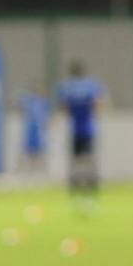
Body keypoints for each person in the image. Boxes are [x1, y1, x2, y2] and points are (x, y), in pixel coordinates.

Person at [56, 60, 107, 211]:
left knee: (76, 160)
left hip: (76, 129)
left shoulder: (67, 87)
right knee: (89, 159)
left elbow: (63, 107)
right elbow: (99, 104)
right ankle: (91, 187)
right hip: (89, 129)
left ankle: (76, 187)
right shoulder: (92, 85)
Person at [15, 83, 51, 179]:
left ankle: (42, 173)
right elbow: (18, 107)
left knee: (40, 151)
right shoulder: (27, 101)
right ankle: (25, 173)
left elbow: (45, 116)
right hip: (29, 130)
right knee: (27, 151)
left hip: (38, 130)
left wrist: (45, 125)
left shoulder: (42, 102)